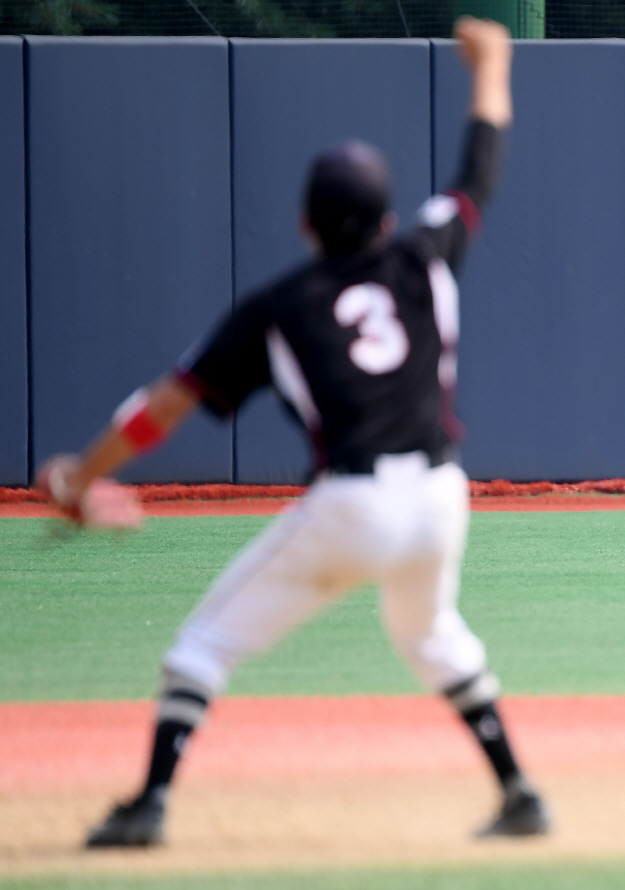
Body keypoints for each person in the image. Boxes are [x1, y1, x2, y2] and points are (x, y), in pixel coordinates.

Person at [38, 18, 551, 847]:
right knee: (430, 635)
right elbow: (479, 168)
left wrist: (78, 478)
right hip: (440, 496)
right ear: (385, 219)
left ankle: (148, 808)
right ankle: (521, 791)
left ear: (307, 225)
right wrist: (493, 65)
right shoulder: (424, 255)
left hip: (353, 503)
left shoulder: (278, 307)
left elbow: (159, 409)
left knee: (202, 646)